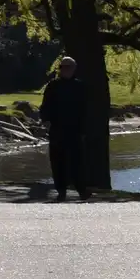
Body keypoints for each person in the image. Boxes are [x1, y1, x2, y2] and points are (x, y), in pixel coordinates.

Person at [39, 56, 90, 200]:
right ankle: (61, 190)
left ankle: (81, 190)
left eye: (68, 67)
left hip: (75, 129)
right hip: (57, 128)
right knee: (57, 161)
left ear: (74, 69)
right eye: (63, 67)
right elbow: (45, 105)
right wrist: (46, 120)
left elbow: (85, 109)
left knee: (77, 161)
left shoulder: (80, 87)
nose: (65, 70)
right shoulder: (53, 86)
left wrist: (84, 129)